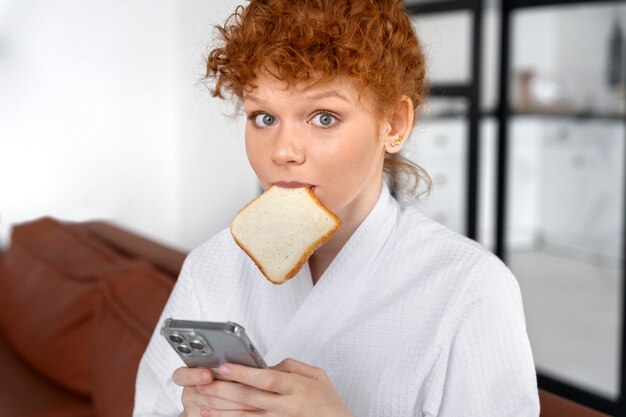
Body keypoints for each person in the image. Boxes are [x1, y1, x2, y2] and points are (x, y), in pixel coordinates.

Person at [133, 0, 540, 416]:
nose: (283, 151)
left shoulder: (470, 288)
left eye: (323, 117)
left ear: (394, 124)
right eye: (264, 118)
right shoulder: (212, 265)